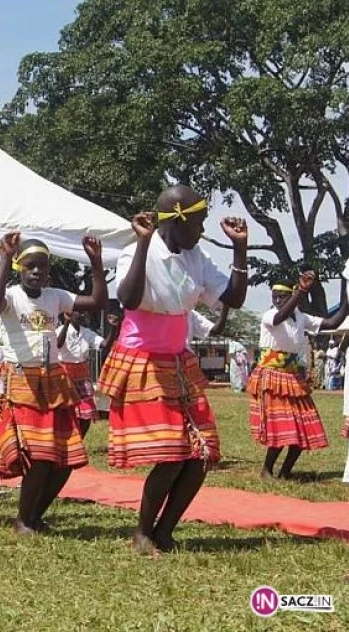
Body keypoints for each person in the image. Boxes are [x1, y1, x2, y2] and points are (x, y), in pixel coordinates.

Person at [98, 185, 248, 555]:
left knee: (201, 455)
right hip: (143, 360)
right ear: (177, 218)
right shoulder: (135, 252)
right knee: (171, 457)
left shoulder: (198, 256)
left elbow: (234, 298)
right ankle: (142, 532)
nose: (202, 230)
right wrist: (145, 244)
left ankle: (165, 531)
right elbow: (129, 298)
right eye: (197, 222)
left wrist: (241, 248)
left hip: (179, 361)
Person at [0, 233, 108, 534]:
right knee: (40, 457)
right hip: (22, 381)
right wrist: (4, 255)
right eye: (30, 266)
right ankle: (22, 520)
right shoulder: (12, 296)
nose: (37, 271)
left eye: (42, 266)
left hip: (53, 381)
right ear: (19, 267)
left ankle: (35, 516)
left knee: (65, 459)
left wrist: (95, 261)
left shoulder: (56, 296)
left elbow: (97, 301)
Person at [249, 273, 347, 479]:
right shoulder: (269, 315)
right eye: (274, 296)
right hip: (272, 376)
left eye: (282, 296)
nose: (277, 300)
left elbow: (332, 323)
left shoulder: (302, 318)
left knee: (304, 427)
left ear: (291, 296)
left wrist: (346, 295)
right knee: (282, 427)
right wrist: (301, 291)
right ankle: (266, 470)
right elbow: (279, 317)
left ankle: (285, 472)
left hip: (292, 377)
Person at [56, 311, 107, 438]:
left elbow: (104, 344)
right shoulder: (59, 331)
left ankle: (79, 440)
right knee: (65, 411)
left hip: (82, 374)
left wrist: (113, 327)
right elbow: (58, 344)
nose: (82, 314)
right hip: (64, 373)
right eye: (78, 312)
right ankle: (66, 440)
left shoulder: (86, 333)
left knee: (87, 411)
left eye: (84, 312)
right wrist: (67, 323)